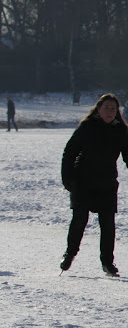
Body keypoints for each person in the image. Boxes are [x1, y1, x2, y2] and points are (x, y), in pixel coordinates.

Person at [60, 93, 128, 277]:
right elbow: (69, 152)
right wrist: (68, 178)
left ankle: (107, 262)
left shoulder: (121, 130)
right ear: (98, 109)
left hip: (107, 184)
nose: (109, 111)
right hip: (83, 182)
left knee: (108, 224)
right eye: (106, 107)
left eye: (113, 108)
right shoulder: (87, 127)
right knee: (80, 219)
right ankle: (70, 254)